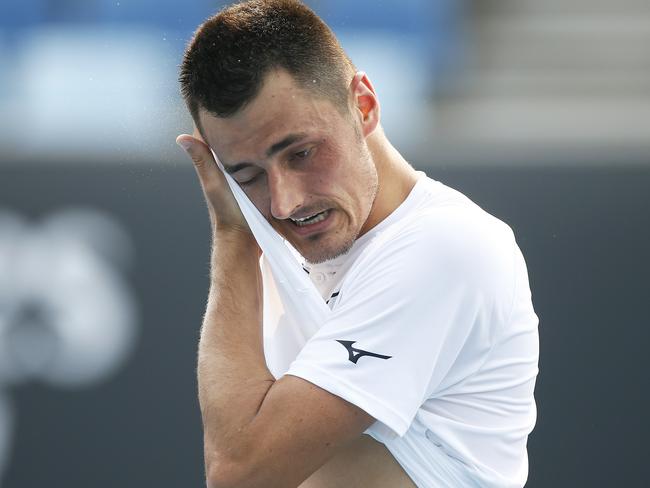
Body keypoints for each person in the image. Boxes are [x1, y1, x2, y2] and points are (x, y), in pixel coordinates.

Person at [175, 1, 539, 486]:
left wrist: (233, 236)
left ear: (363, 105)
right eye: (247, 175)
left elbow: (240, 474)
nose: (284, 202)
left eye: (301, 153)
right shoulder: (279, 253)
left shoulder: (446, 248)